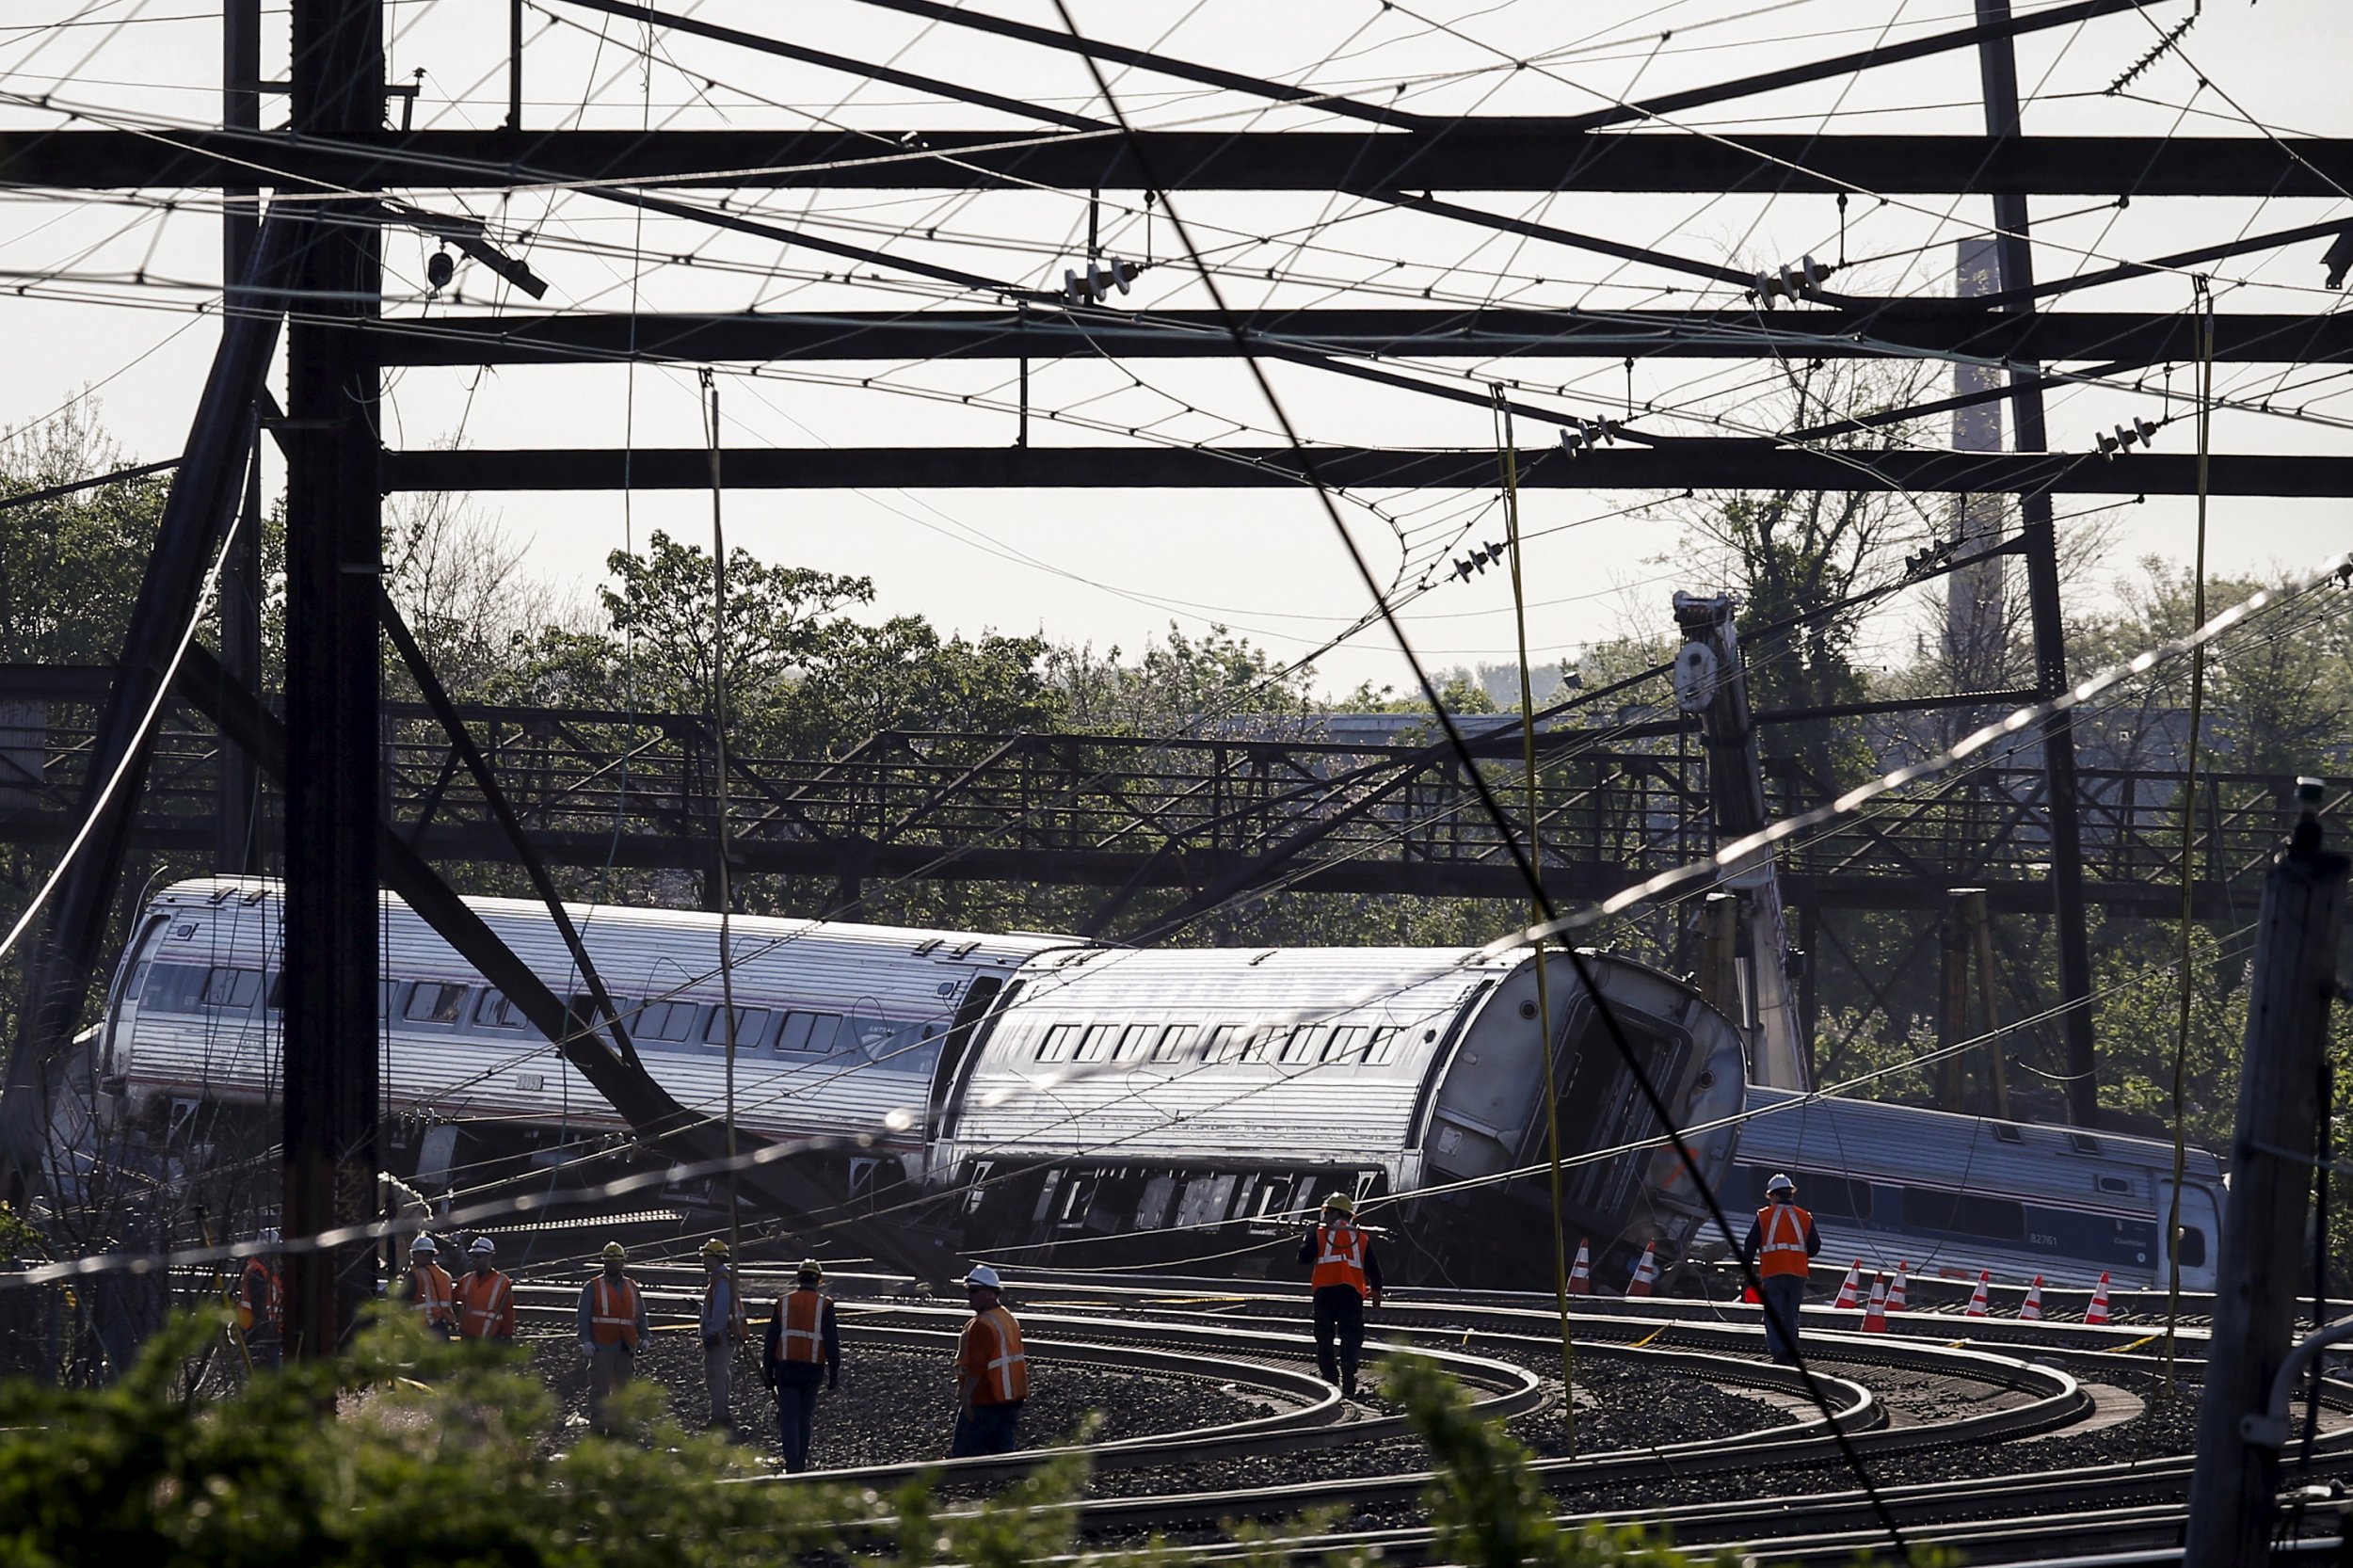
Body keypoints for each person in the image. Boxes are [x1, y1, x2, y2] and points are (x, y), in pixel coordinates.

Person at [1297, 1192, 1383, 1396]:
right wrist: (1377, 1290)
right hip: (1351, 1292)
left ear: (1335, 1213)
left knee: (1324, 1335)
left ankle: (1330, 1376)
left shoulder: (1318, 1233)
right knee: (1352, 1334)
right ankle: (1348, 1366)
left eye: (1326, 1212)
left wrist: (1308, 1234)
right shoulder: (1361, 1237)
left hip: (1324, 1292)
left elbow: (1303, 1259)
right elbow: (1374, 1268)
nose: (1323, 1217)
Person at [762, 1257, 840, 1472]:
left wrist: (767, 1369)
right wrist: (834, 1372)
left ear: (798, 1278)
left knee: (788, 1415)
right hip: (813, 1368)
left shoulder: (784, 1302)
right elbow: (831, 1340)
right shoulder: (825, 1305)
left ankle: (791, 1462)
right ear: (819, 1280)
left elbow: (771, 1339)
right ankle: (801, 1462)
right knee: (804, 1417)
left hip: (786, 1367)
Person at [1739, 1172, 1821, 1364]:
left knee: (1774, 1313)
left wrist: (1748, 1270)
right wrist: (1797, 1256)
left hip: (1773, 1272)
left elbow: (1750, 1245)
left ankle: (1779, 1353)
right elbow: (1815, 1247)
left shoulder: (1764, 1216)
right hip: (1797, 1273)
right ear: (1790, 1194)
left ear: (1774, 1195)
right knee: (1791, 1315)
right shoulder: (1805, 1217)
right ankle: (1791, 1353)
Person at [950, 1264, 1027, 1458]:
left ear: (990, 1293)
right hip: (1011, 1398)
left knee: (965, 1453)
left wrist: (966, 1396)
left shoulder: (982, 1325)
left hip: (986, 1398)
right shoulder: (1007, 1318)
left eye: (974, 1291)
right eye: (969, 1291)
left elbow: (977, 1365)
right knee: (1002, 1453)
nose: (969, 1296)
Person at [576, 1240, 648, 1435]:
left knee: (623, 1390)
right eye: (610, 1261)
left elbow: (640, 1314)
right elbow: (583, 1316)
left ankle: (619, 1427)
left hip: (625, 1346)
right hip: (602, 1345)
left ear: (623, 1263)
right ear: (604, 1263)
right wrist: (586, 1341)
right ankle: (598, 1427)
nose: (613, 1265)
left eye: (617, 1261)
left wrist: (644, 1336)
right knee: (600, 1389)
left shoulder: (632, 1286)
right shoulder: (593, 1286)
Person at [699, 1237, 749, 1429]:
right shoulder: (721, 1280)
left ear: (714, 1258)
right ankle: (721, 1413)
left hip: (720, 1337)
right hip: (725, 1335)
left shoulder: (721, 1282)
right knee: (720, 1374)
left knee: (716, 1375)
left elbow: (720, 1312)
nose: (703, 1261)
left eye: (705, 1257)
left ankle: (719, 1416)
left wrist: (710, 1333)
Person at [452, 1236, 516, 1344]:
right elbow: (451, 1297)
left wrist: (507, 1334)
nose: (474, 1260)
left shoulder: (502, 1281)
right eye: (472, 1256)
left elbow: (508, 1311)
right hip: (468, 1336)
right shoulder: (466, 1279)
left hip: (490, 1338)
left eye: (478, 1256)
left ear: (489, 1257)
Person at [235, 1228, 283, 1371]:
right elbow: (259, 1307)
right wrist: (265, 1334)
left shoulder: (265, 1270)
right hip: (259, 1332)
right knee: (269, 1374)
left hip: (264, 1330)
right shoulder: (257, 1272)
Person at [401, 1234, 457, 1337]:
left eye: (413, 1254)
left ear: (419, 1254)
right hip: (443, 1327)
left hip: (421, 1329)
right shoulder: (446, 1275)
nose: (412, 1258)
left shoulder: (414, 1276)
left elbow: (401, 1303)